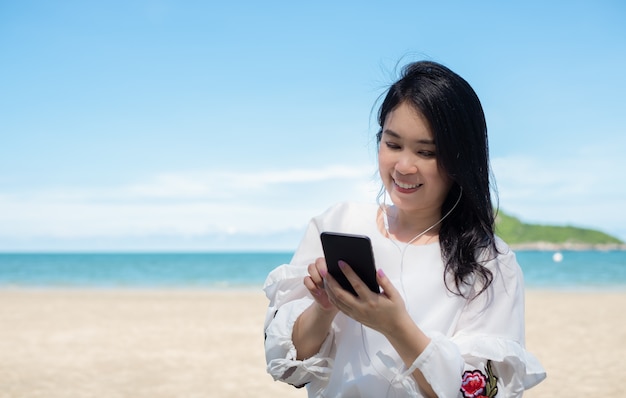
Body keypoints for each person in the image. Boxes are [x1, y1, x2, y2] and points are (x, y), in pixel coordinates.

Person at [263, 61, 546, 397]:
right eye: (393, 144)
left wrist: (395, 326)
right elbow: (290, 367)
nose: (404, 167)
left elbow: (480, 391)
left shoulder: (488, 261)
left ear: (461, 160)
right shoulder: (339, 222)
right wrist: (326, 308)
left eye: (426, 152)